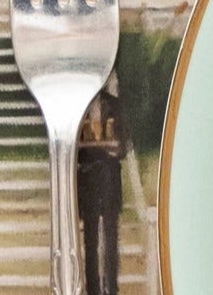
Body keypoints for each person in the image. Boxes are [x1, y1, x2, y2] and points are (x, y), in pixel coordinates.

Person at [77, 79, 128, 295]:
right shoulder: (79, 107)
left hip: (109, 181)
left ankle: (112, 288)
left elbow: (124, 144)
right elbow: (76, 149)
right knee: (90, 242)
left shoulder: (115, 106)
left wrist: (109, 151)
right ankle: (93, 290)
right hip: (89, 182)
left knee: (110, 239)